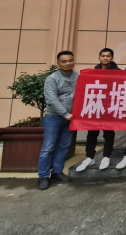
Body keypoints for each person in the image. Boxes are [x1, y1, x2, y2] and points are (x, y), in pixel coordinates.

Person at [37, 51, 79, 191]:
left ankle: (57, 172)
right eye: (64, 61)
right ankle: (43, 176)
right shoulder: (52, 78)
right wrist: (65, 114)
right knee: (48, 147)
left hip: (71, 118)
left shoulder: (78, 76)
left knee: (64, 146)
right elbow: (51, 99)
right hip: (54, 117)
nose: (68, 63)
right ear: (58, 63)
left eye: (70, 60)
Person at [75, 48, 119, 173]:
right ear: (99, 57)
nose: (105, 58)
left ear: (112, 58)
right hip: (95, 105)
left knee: (108, 133)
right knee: (92, 132)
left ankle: (106, 156)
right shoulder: (92, 72)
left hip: (109, 106)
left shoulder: (117, 72)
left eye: (108, 56)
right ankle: (90, 157)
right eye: (103, 56)